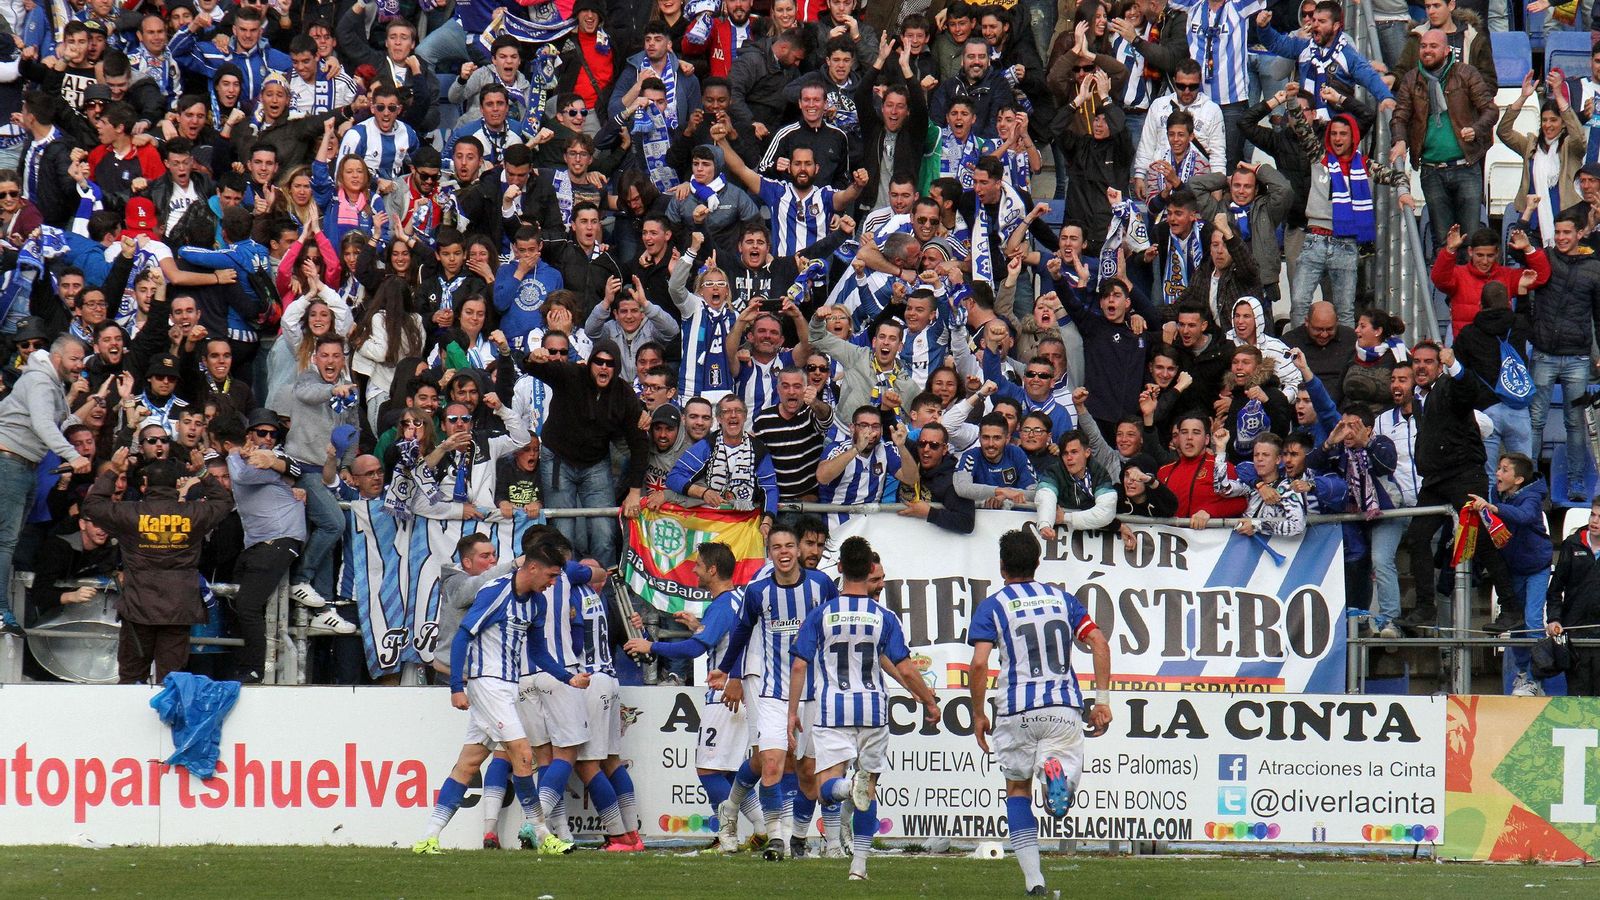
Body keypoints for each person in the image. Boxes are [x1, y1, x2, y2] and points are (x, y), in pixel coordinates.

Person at [411, 535, 592, 857]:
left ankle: (428, 837)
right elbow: (464, 635)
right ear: (533, 568)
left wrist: (568, 677)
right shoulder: (496, 592)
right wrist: (456, 686)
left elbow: (538, 650)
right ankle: (541, 833)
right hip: (488, 684)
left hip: (507, 687)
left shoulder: (536, 602)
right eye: (551, 576)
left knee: (468, 764)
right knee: (523, 755)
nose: (553, 583)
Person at [969, 528, 1112, 896]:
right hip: (1062, 706)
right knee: (1061, 794)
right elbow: (1098, 641)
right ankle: (1056, 774)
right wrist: (1102, 701)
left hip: (1016, 709)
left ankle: (1035, 881)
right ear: (1037, 563)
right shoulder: (1062, 600)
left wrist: (978, 714)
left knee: (1016, 790)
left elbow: (979, 665)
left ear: (1002, 568)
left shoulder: (993, 605)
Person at [788, 535, 937, 882]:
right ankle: (859, 867)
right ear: (869, 569)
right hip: (872, 709)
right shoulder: (883, 617)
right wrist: (928, 700)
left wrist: (792, 711)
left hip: (831, 710)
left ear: (839, 568)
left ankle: (845, 787)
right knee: (868, 789)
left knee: (828, 788)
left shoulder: (821, 615)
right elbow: (903, 666)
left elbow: (799, 665)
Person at [706, 524, 838, 859]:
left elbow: (837, 626)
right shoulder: (757, 592)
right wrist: (729, 669)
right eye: (777, 546)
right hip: (770, 691)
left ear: (797, 550)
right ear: (769, 553)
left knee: (808, 772)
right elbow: (741, 633)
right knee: (771, 764)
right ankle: (776, 838)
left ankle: (807, 838)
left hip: (814, 692)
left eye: (789, 546)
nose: (784, 552)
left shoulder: (821, 585)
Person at [621, 542, 753, 851]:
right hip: (739, 692)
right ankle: (759, 829)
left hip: (723, 696)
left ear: (712, 570)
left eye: (697, 565)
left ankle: (727, 836)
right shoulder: (736, 601)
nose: (693, 570)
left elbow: (696, 649)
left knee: (708, 770)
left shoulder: (721, 604)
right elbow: (719, 637)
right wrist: (698, 627)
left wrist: (650, 647)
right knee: (730, 772)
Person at [83, 454, 234, 683]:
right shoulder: (192, 512)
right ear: (176, 485)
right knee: (172, 679)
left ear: (145, 485)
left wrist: (113, 469)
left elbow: (93, 505)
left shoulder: (129, 512)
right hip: (178, 608)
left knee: (131, 677)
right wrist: (203, 472)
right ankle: (165, 719)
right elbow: (223, 502)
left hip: (138, 607)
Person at [524, 339, 648, 566]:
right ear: (590, 363)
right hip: (558, 459)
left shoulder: (624, 394)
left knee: (605, 532)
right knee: (564, 532)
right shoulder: (572, 374)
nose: (603, 367)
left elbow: (639, 444)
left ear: (617, 367)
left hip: (596, 464)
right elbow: (532, 367)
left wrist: (634, 492)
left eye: (609, 364)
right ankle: (565, 589)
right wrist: (533, 357)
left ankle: (605, 591)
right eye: (598, 361)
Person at [0, 335, 93, 635]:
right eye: (74, 359)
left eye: (82, 360)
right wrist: (73, 455)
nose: (80, 366)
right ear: (56, 358)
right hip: (10, 461)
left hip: (23, 465)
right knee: (5, 540)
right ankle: (0, 611)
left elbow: (55, 424)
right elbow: (42, 425)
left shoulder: (51, 383)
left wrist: (87, 404)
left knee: (7, 540)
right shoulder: (41, 380)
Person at [1388, 28, 1498, 253]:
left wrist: (1476, 129)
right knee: (1443, 243)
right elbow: (1399, 117)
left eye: (1433, 46)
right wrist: (1400, 140)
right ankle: (1448, 289)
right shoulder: (1411, 79)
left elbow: (1490, 110)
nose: (1427, 50)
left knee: (1471, 242)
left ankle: (1471, 289)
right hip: (1431, 170)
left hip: (1466, 166)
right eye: (1423, 46)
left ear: (1447, 51)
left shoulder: (1466, 73)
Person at [1467, 453, 1551, 694]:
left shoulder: (1532, 497)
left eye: (1504, 470)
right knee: (1517, 622)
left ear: (1519, 479)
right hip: (1512, 568)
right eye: (1498, 469)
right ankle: (1523, 674)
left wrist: (1494, 508)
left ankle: (1537, 678)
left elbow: (1524, 517)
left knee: (1534, 620)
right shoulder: (1496, 491)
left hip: (1536, 567)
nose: (1498, 474)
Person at [1547, 498, 1600, 696]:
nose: (1595, 521)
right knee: (1578, 699)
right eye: (1593, 515)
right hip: (1575, 633)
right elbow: (1555, 589)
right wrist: (1554, 618)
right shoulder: (1572, 544)